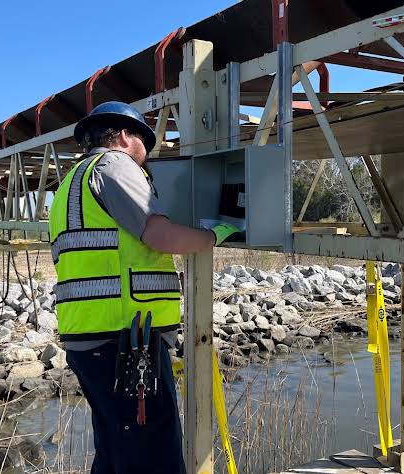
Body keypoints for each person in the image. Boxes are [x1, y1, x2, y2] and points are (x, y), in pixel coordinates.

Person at [49, 101, 239, 474]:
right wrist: (212, 236)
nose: (146, 157)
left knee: (116, 450)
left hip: (88, 339)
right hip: (126, 341)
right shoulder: (115, 165)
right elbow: (159, 235)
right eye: (144, 145)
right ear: (124, 135)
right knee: (153, 453)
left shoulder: (71, 182)